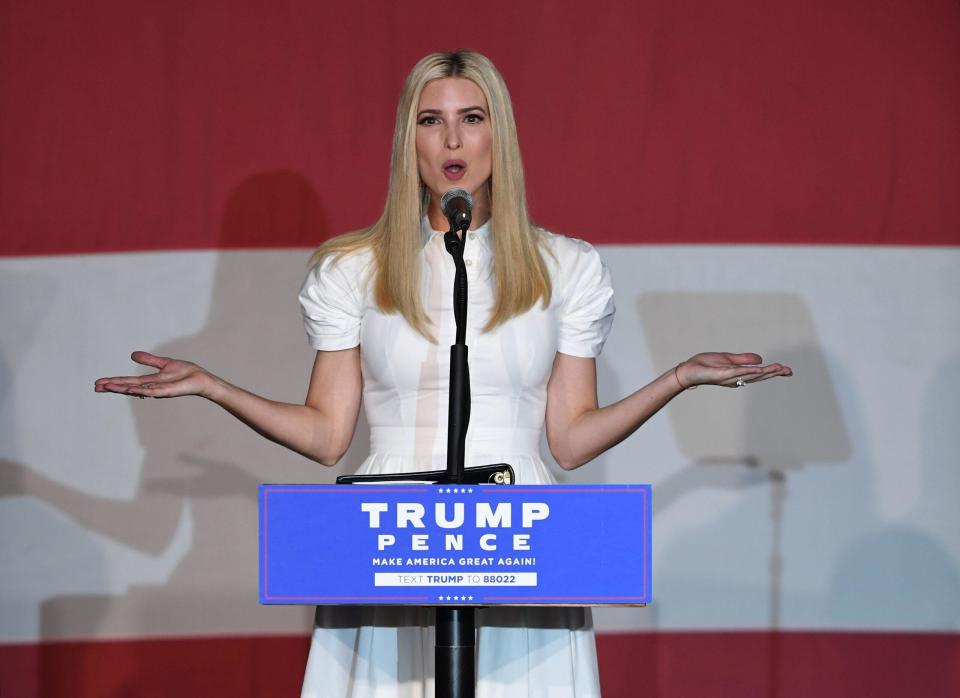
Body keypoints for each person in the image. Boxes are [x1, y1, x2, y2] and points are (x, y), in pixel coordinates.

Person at [96, 49, 791, 697]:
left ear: (499, 136)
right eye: (432, 121)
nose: (452, 142)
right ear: (411, 141)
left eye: (471, 119)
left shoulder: (566, 266)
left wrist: (677, 378)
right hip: (387, 535)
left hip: (517, 537)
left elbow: (571, 440)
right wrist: (216, 388)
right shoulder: (353, 269)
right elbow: (326, 433)